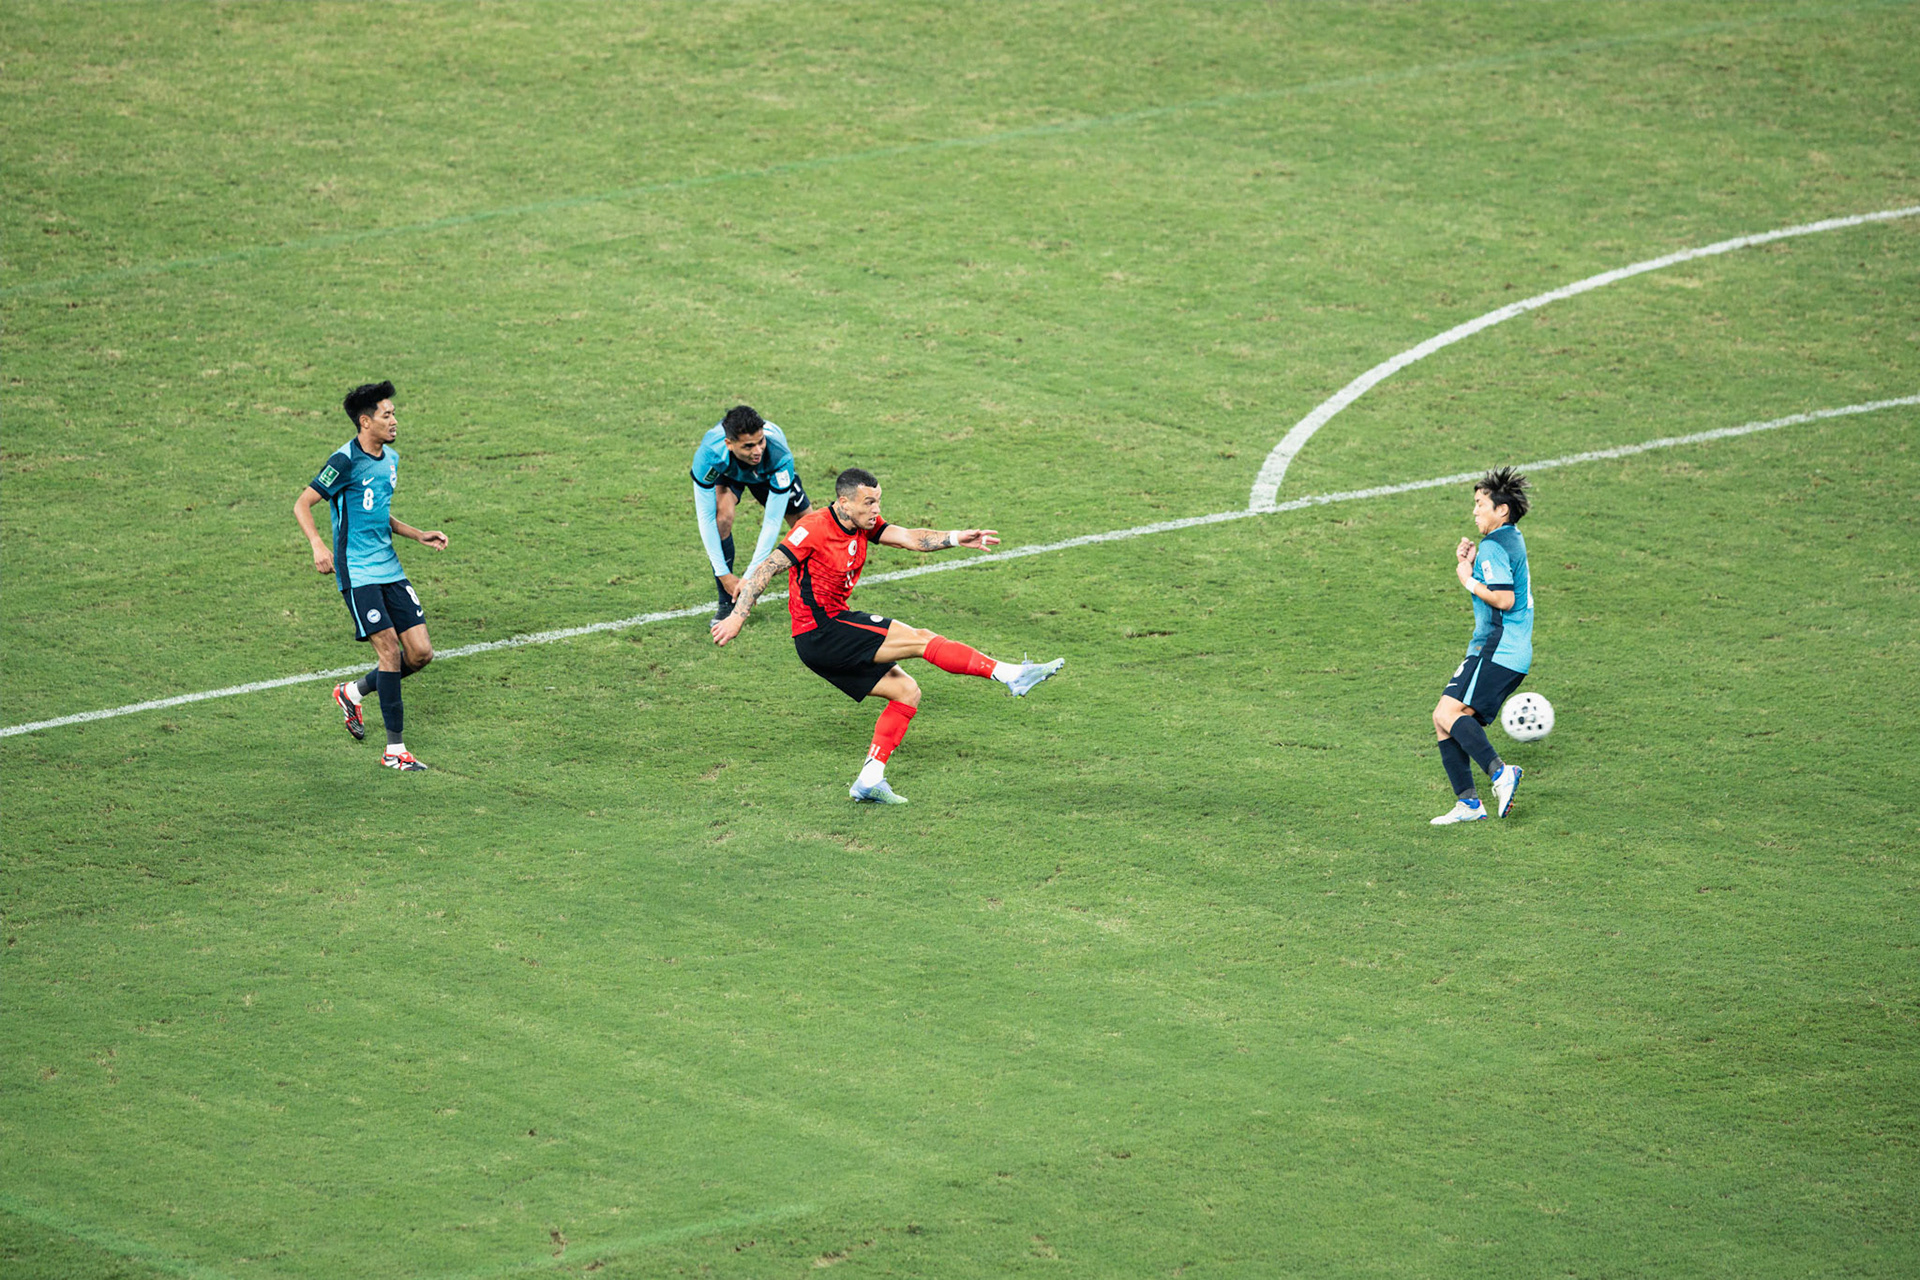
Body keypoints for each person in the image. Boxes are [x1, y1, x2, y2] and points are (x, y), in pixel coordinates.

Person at [710, 467, 1065, 804]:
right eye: (869, 502)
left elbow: (910, 538)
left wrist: (958, 538)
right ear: (844, 502)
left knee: (906, 692)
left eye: (878, 501)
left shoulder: (863, 524)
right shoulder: (814, 528)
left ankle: (869, 780)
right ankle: (1010, 675)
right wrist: (738, 616)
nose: (876, 509)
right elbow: (767, 568)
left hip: (827, 633)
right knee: (922, 639)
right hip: (823, 630)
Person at [293, 381, 448, 771]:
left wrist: (417, 534)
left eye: (394, 413)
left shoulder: (391, 459)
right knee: (389, 655)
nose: (395, 420)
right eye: (387, 414)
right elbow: (302, 503)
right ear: (366, 422)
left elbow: (377, 513)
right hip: (358, 571)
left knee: (420, 653)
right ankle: (395, 751)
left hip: (389, 567)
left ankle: (352, 692)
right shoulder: (344, 461)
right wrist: (317, 545)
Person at [1430, 467, 1533, 823]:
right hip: (1503, 649)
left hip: (1498, 649)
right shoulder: (1509, 539)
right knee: (1443, 720)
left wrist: (1465, 579)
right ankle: (1469, 804)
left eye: (1479, 504)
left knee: (1447, 715)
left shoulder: (1493, 544)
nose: (1474, 511)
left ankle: (1501, 773)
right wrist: (1471, 566)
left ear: (1500, 510)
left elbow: (1503, 599)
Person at [690, 405, 810, 620]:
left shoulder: (779, 456)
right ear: (729, 443)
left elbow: (772, 521)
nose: (757, 450)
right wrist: (724, 575)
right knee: (720, 519)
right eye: (748, 446)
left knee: (808, 528)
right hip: (729, 472)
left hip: (768, 474)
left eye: (760, 441)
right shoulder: (710, 455)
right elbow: (705, 517)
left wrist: (750, 577)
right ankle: (727, 602)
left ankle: (817, 592)